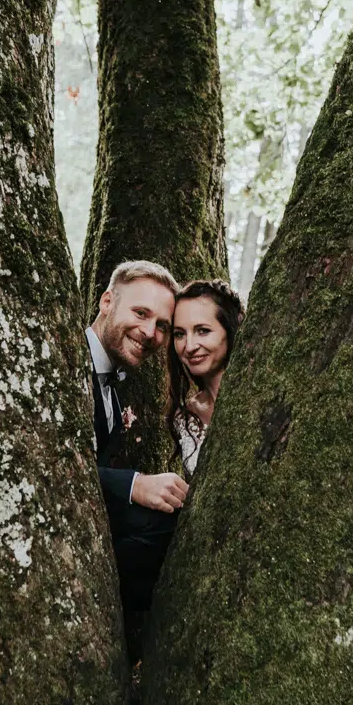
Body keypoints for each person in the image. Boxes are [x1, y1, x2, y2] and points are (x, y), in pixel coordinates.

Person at [86, 260, 188, 624]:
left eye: (162, 325)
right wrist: (134, 486)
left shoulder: (112, 388)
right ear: (107, 301)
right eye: (141, 313)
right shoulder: (68, 362)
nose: (150, 333)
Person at [166, 279, 245, 480]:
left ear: (230, 330)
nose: (189, 346)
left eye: (203, 330)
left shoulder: (256, 398)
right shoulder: (184, 417)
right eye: (179, 334)